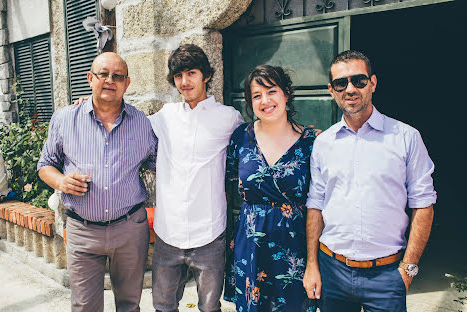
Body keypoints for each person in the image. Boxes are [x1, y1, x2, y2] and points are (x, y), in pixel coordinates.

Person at [303, 50, 436, 312]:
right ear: (332, 90)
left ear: (372, 83)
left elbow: (423, 205)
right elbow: (315, 205)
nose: (350, 89)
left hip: (386, 275)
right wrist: (312, 265)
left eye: (359, 81)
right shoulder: (323, 143)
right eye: (341, 83)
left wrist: (407, 270)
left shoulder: (406, 137)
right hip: (333, 271)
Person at [38, 52, 158, 312]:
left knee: (129, 305)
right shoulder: (64, 119)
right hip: (83, 230)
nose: (110, 80)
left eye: (118, 76)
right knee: (84, 307)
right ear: (90, 78)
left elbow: (162, 164)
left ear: (127, 83)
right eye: (103, 74)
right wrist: (60, 181)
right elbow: (45, 164)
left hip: (129, 229)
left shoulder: (142, 123)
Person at [148, 44, 244, 312]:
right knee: (163, 306)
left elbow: (254, 146)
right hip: (169, 231)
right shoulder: (165, 117)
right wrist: (92, 105)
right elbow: (127, 124)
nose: (185, 81)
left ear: (207, 76)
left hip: (210, 232)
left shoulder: (229, 118)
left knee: (209, 308)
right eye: (179, 75)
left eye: (191, 73)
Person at [224, 64, 318, 312]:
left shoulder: (312, 142)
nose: (265, 101)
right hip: (251, 247)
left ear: (286, 93)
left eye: (272, 91)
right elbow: (229, 185)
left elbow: (321, 202)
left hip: (295, 249)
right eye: (256, 95)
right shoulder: (240, 137)